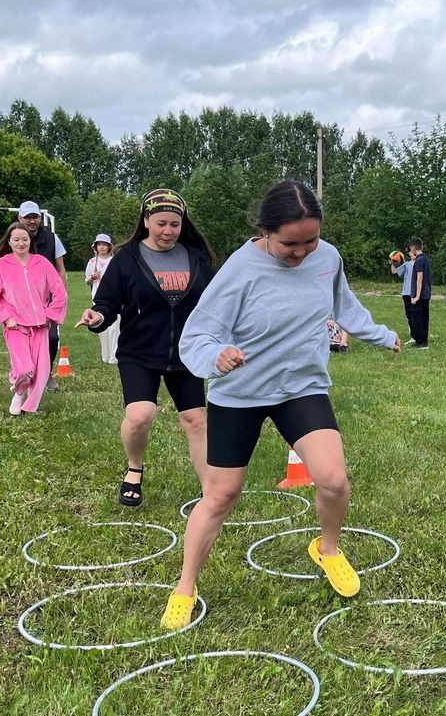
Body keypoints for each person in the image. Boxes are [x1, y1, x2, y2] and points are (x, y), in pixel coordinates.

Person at [159, 180, 400, 631]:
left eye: (310, 240)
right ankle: (184, 588)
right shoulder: (240, 269)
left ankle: (327, 549)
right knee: (221, 495)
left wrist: (381, 335)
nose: (302, 253)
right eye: (291, 243)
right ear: (266, 230)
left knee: (333, 479)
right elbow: (198, 335)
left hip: (301, 387)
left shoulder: (326, 258)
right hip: (241, 394)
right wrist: (217, 356)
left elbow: (344, 306)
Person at [75, 190, 216, 507]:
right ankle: (134, 469)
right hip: (139, 351)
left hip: (185, 353)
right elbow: (108, 301)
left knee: (196, 420)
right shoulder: (128, 257)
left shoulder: (196, 257)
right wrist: (97, 316)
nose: (168, 231)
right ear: (146, 220)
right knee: (141, 414)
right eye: (161, 223)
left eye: (175, 224)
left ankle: (211, 491)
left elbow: (216, 301)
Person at [0, 222, 67, 415]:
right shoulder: (1, 265)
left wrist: (50, 314)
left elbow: (60, 292)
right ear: (9, 242)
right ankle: (19, 393)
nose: (21, 243)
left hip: (40, 324)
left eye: (25, 239)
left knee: (41, 369)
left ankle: (29, 406)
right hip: (15, 326)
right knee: (24, 368)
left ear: (30, 241)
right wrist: (6, 318)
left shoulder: (42, 263)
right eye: (16, 239)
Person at [17, 201, 67, 391]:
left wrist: (61, 297)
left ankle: (46, 375)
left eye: (35, 216)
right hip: (22, 301)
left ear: (40, 218)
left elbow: (60, 269)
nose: (32, 221)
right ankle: (24, 374)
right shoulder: (15, 239)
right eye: (27, 217)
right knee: (24, 339)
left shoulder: (52, 239)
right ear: (20, 218)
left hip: (47, 300)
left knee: (52, 338)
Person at [84, 233, 119, 364]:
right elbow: (87, 281)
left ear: (109, 247)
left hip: (115, 298)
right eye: (99, 245)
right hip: (97, 299)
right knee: (101, 327)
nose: (102, 247)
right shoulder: (92, 262)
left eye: (105, 245)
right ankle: (105, 355)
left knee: (115, 327)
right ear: (96, 246)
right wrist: (92, 278)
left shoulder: (114, 261)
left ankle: (114, 356)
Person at [408, 238, 431, 348]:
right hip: (426, 294)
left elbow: (419, 279)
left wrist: (417, 296)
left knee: (417, 318)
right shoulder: (424, 259)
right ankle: (423, 341)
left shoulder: (418, 261)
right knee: (424, 317)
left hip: (420, 295)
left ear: (413, 248)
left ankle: (421, 341)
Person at [390, 249, 416, 343]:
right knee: (409, 315)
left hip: (415, 293)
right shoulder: (406, 264)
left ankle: (417, 335)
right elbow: (394, 272)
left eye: (411, 252)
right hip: (406, 293)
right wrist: (392, 262)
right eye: (409, 252)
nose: (410, 253)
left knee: (415, 314)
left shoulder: (419, 264)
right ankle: (412, 335)